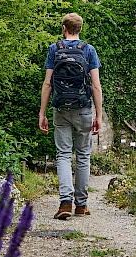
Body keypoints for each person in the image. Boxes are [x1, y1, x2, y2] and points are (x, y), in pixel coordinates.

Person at [39, 12, 103, 220]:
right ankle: (81, 205)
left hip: (61, 109)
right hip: (83, 107)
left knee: (63, 155)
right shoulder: (89, 50)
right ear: (80, 29)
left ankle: (65, 203)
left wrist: (42, 113)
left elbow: (48, 84)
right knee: (83, 155)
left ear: (64, 29)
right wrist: (98, 115)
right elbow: (95, 85)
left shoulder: (54, 49)